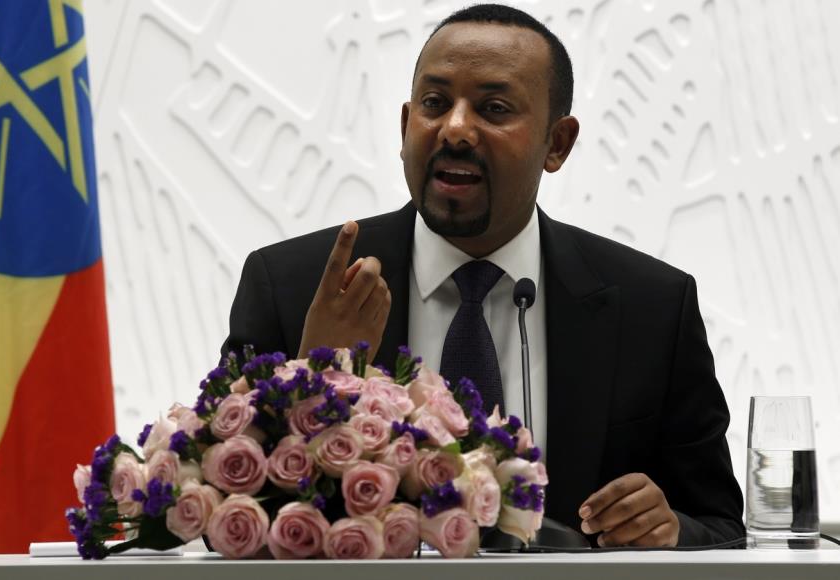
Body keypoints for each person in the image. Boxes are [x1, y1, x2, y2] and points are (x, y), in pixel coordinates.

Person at [222, 4, 744, 548]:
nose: (455, 129)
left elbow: (721, 526)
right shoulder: (292, 288)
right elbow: (226, 522)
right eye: (434, 104)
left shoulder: (652, 307)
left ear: (557, 144)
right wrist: (315, 378)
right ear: (405, 126)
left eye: (494, 109)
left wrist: (669, 529)